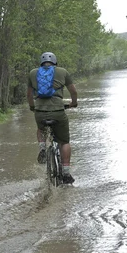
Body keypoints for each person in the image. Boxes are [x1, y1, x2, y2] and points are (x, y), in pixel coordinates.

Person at [27, 52, 78, 184]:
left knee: (40, 128)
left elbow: (29, 95)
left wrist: (33, 107)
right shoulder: (62, 72)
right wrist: (74, 102)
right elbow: (73, 91)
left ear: (41, 63)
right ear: (55, 62)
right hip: (58, 111)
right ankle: (66, 173)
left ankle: (42, 147)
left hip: (40, 111)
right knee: (64, 141)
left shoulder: (33, 73)